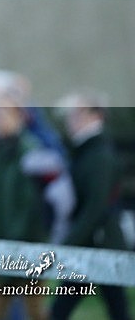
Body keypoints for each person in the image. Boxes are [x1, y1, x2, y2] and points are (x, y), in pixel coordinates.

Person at [51, 89, 132, 320]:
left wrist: (70, 243)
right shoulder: (88, 152)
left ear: (93, 115)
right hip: (92, 243)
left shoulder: (99, 155)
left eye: (75, 114)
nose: (70, 120)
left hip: (100, 244)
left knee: (116, 308)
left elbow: (96, 207)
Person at [0, 87, 50, 320]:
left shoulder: (30, 150)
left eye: (4, 112)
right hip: (2, 245)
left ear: (19, 116)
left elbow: (32, 205)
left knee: (34, 312)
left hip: (27, 246)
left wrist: (16, 246)